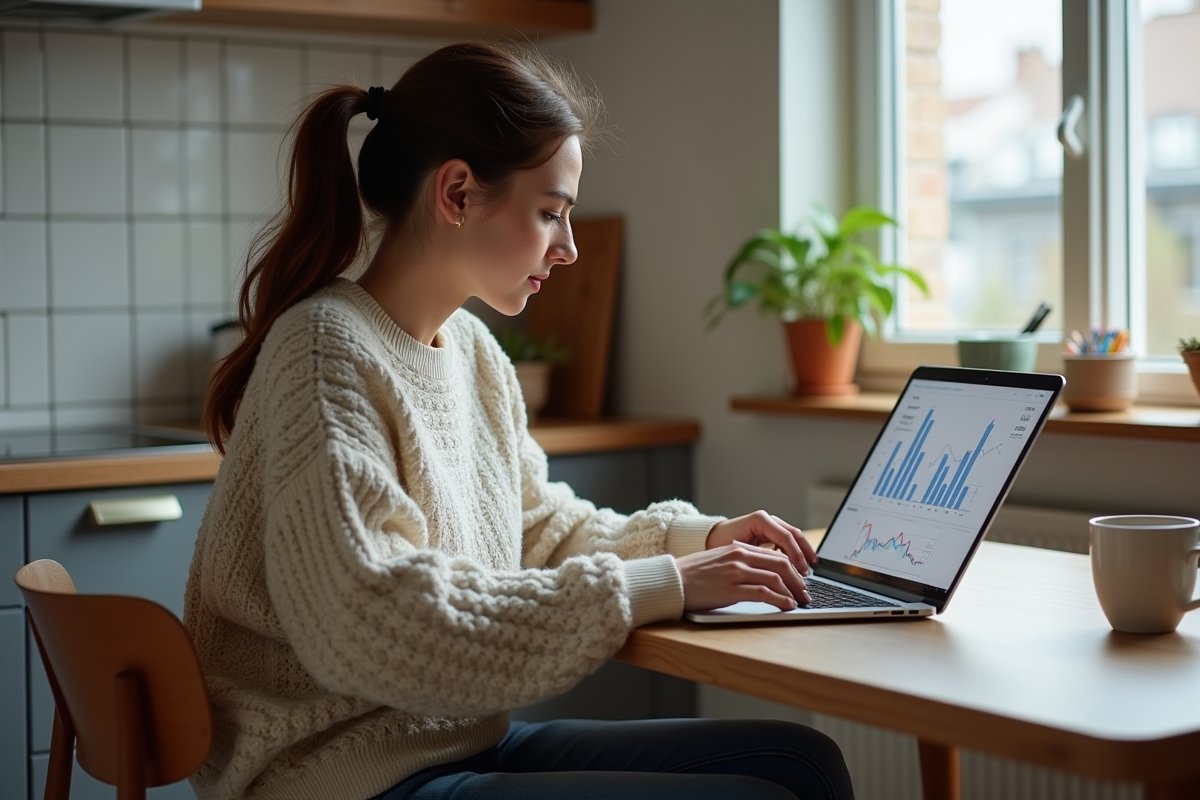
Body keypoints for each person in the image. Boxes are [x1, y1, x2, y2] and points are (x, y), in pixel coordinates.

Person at [186, 40, 855, 800]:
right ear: (458, 192)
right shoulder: (323, 348)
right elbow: (371, 620)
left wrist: (700, 541)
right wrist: (664, 583)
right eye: (550, 213)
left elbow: (537, 530)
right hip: (343, 775)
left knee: (802, 765)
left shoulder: (472, 350)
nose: (568, 248)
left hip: (459, 739)